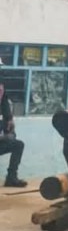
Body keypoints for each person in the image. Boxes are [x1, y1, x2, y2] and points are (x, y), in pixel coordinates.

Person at [0, 57, 26, 187]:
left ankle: (11, 177)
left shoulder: (1, 84)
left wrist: (9, 119)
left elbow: (4, 101)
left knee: (18, 145)